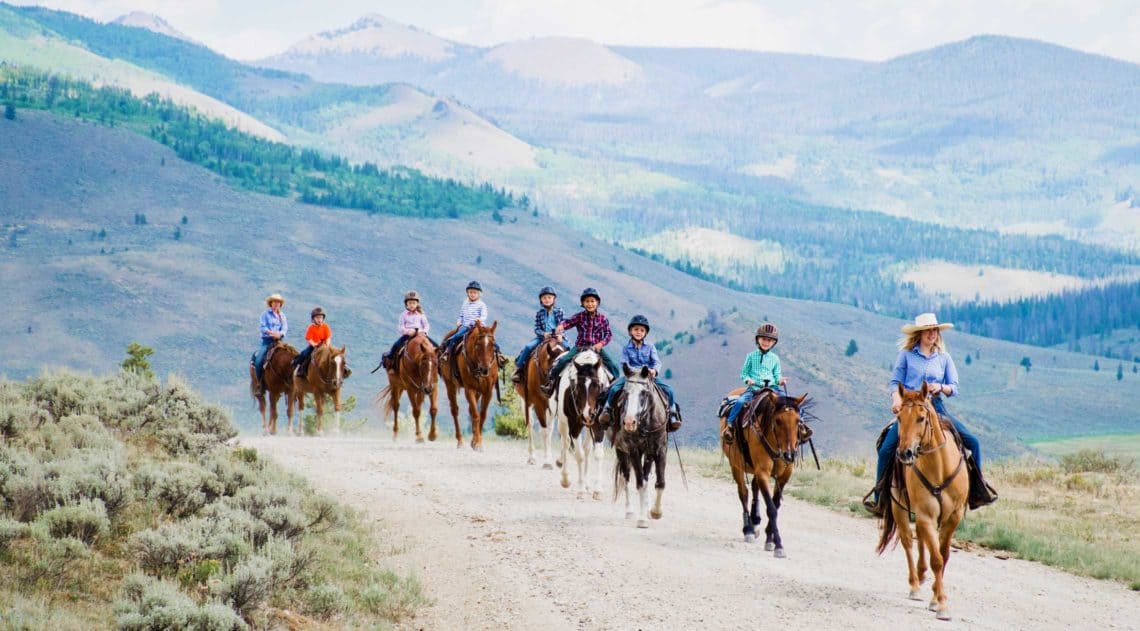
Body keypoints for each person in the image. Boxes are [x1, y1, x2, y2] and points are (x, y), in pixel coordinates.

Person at [863, 313, 997, 516]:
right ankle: (880, 499)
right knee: (886, 449)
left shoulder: (944, 358)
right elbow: (894, 382)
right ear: (920, 333)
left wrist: (941, 387)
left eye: (935, 330)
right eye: (928, 330)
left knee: (973, 442)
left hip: (936, 407)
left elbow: (954, 387)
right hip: (910, 409)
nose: (932, 333)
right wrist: (896, 400)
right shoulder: (906, 355)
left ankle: (977, 491)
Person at [596, 315, 682, 432]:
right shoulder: (626, 347)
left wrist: (654, 370)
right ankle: (607, 410)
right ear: (630, 331)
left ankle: (672, 415)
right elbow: (624, 363)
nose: (639, 332)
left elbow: (656, 362)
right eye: (636, 329)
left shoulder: (650, 346)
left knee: (669, 390)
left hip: (647, 376)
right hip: (631, 377)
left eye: (642, 330)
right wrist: (632, 371)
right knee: (613, 389)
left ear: (646, 333)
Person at [540, 287, 619, 395]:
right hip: (580, 347)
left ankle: (615, 389)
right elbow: (569, 322)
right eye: (587, 301)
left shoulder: (602, 319)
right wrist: (561, 326)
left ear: (597, 303)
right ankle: (550, 384)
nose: (590, 304)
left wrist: (601, 344)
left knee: (613, 366)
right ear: (583, 303)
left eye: (592, 301)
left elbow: (608, 334)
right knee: (563, 361)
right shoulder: (580, 316)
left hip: (596, 348)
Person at [722, 323, 785, 444]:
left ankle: (801, 426)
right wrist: (748, 380)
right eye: (763, 339)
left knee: (789, 404)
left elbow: (777, 375)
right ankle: (729, 426)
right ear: (758, 339)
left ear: (774, 343)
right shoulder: (750, 356)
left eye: (769, 340)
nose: (766, 342)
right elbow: (744, 373)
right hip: (755, 389)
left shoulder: (775, 358)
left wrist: (780, 380)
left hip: (772, 388)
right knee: (740, 402)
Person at [511, 286, 567, 384]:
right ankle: (518, 369)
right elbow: (537, 328)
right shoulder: (539, 313)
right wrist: (543, 333)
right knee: (528, 347)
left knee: (569, 349)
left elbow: (563, 325)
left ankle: (570, 372)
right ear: (541, 300)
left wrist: (560, 335)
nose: (547, 300)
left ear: (554, 299)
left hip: (557, 337)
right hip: (542, 338)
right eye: (544, 298)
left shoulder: (559, 311)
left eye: (549, 297)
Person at [383, 291, 435, 370]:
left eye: (413, 303)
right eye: (410, 303)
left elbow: (426, 325)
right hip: (408, 335)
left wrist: (424, 332)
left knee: (435, 346)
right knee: (396, 345)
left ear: (417, 304)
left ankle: (437, 365)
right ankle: (391, 362)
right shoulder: (403, 315)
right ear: (406, 304)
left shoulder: (421, 314)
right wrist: (408, 332)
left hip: (420, 335)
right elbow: (401, 327)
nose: (412, 305)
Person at [439, 281, 489, 358]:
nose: (472, 294)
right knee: (456, 336)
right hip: (466, 326)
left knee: (488, 338)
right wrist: (459, 321)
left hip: (478, 326)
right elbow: (461, 315)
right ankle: (447, 351)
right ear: (467, 293)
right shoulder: (465, 303)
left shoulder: (482, 305)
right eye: (470, 292)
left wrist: (479, 320)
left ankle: (498, 354)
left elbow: (484, 316)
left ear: (479, 294)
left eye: (475, 293)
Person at [252, 293, 287, 394]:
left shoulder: (282, 316)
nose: (276, 304)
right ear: (271, 303)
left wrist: (280, 334)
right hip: (267, 341)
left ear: (280, 304)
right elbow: (263, 327)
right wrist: (272, 333)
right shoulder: (265, 315)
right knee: (259, 360)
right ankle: (259, 384)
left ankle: (289, 383)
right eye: (274, 302)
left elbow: (285, 327)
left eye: (278, 302)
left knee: (291, 357)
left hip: (279, 341)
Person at [292, 306, 331, 378]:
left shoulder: (325, 327)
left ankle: (343, 369)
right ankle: (299, 367)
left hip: (324, 346)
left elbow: (328, 337)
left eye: (321, 318)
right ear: (313, 319)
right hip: (314, 346)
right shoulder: (311, 327)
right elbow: (309, 339)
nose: (319, 320)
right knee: (305, 353)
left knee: (335, 355)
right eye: (317, 318)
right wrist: (315, 345)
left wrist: (327, 345)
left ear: (323, 318)